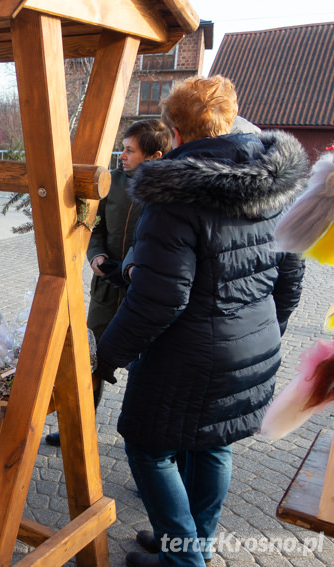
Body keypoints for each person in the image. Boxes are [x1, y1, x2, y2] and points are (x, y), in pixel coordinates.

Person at [94, 75, 307, 567]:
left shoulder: (174, 192)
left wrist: (105, 356)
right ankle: (190, 542)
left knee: (149, 448)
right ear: (228, 118)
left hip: (190, 355)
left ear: (175, 131)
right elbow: (291, 275)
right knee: (212, 444)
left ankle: (183, 557)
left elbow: (160, 299)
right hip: (254, 344)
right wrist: (264, 330)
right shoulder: (274, 181)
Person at [45, 119, 171, 447]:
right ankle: (77, 426)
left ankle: (147, 443)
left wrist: (130, 267)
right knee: (90, 361)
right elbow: (95, 224)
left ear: (155, 156)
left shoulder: (167, 195)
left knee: (145, 372)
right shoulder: (111, 184)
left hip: (141, 297)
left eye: (130, 150)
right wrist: (97, 255)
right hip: (105, 294)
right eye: (123, 148)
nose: (123, 155)